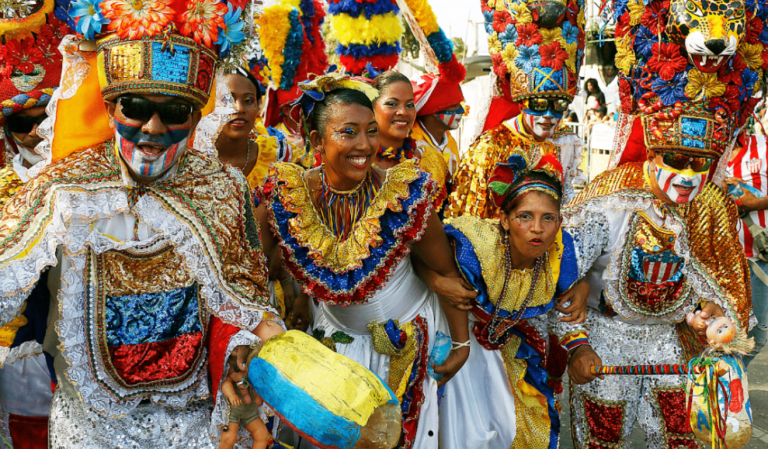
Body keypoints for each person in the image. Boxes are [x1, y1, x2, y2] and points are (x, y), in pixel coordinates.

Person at [0, 3, 284, 447]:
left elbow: (239, 300)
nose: (151, 129)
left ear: (194, 118)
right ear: (111, 107)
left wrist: (241, 354)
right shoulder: (62, 191)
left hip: (193, 423)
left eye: (173, 112)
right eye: (134, 107)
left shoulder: (221, 189)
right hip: (89, 427)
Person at [562, 0, 760, 444]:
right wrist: (577, 342)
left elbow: (727, 283)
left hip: (671, 349)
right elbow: (561, 272)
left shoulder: (711, 203)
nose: (689, 176)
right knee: (602, 439)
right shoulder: (611, 195)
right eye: (676, 160)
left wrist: (717, 321)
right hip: (606, 340)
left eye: (701, 164)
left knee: (681, 438)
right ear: (652, 150)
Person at [255, 73, 476, 449]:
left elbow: (444, 269)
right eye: (349, 132)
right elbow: (257, 276)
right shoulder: (286, 197)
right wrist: (295, 304)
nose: (364, 145)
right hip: (332, 349)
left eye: (371, 131)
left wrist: (460, 344)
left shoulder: (402, 193)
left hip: (402, 347)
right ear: (316, 141)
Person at [434, 151, 590, 449]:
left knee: (510, 427)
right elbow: (421, 248)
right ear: (504, 219)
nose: (537, 228)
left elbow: (569, 306)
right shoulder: (477, 243)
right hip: (453, 336)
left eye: (548, 218)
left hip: (506, 347)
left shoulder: (560, 254)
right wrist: (437, 281)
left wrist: (580, 340)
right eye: (524, 217)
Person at [0, 8, 71, 448]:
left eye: (43, 117)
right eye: (20, 123)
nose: (33, 132)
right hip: (21, 337)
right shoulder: (4, 185)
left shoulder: (87, 178)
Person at [449, 0, 587, 219]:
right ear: (523, 103)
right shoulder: (490, 148)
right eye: (539, 105)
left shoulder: (565, 143)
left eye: (559, 106)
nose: (549, 116)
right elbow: (468, 221)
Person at [257, 0, 328, 169]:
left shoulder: (322, 133)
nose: (313, 109)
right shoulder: (271, 138)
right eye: (306, 104)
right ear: (288, 109)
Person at [725, 129, 768, 367]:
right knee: (715, 333)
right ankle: (724, 392)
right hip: (714, 261)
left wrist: (754, 203)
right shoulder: (702, 153)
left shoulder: (762, 146)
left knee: (757, 335)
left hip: (759, 259)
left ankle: (733, 383)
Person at [372, 71, 418, 170]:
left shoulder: (430, 160)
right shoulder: (355, 163)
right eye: (392, 104)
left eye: (410, 105)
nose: (403, 112)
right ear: (372, 108)